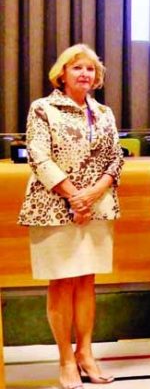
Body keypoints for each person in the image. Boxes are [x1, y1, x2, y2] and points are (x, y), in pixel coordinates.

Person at [19, 44, 123, 388]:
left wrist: (92, 195)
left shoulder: (104, 112)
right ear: (61, 74)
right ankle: (65, 360)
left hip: (97, 206)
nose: (84, 74)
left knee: (86, 282)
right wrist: (74, 196)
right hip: (53, 207)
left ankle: (86, 354)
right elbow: (37, 155)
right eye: (77, 68)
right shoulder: (43, 109)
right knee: (62, 282)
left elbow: (114, 159)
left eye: (90, 69)